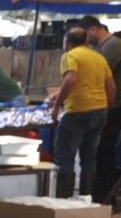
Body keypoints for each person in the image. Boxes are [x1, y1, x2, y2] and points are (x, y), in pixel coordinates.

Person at [45, 27, 114, 201]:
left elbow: (71, 79)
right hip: (98, 111)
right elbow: (112, 87)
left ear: (66, 42)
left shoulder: (70, 56)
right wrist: (105, 108)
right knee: (89, 157)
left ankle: (64, 200)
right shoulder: (99, 57)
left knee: (64, 156)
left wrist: (57, 106)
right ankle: (86, 198)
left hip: (76, 111)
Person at [82, 16, 121, 202]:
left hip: (116, 104)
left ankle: (106, 194)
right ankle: (96, 190)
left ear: (93, 29)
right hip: (101, 104)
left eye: (85, 35)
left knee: (105, 146)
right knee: (98, 147)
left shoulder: (113, 45)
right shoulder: (97, 48)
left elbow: (97, 73)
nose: (84, 40)